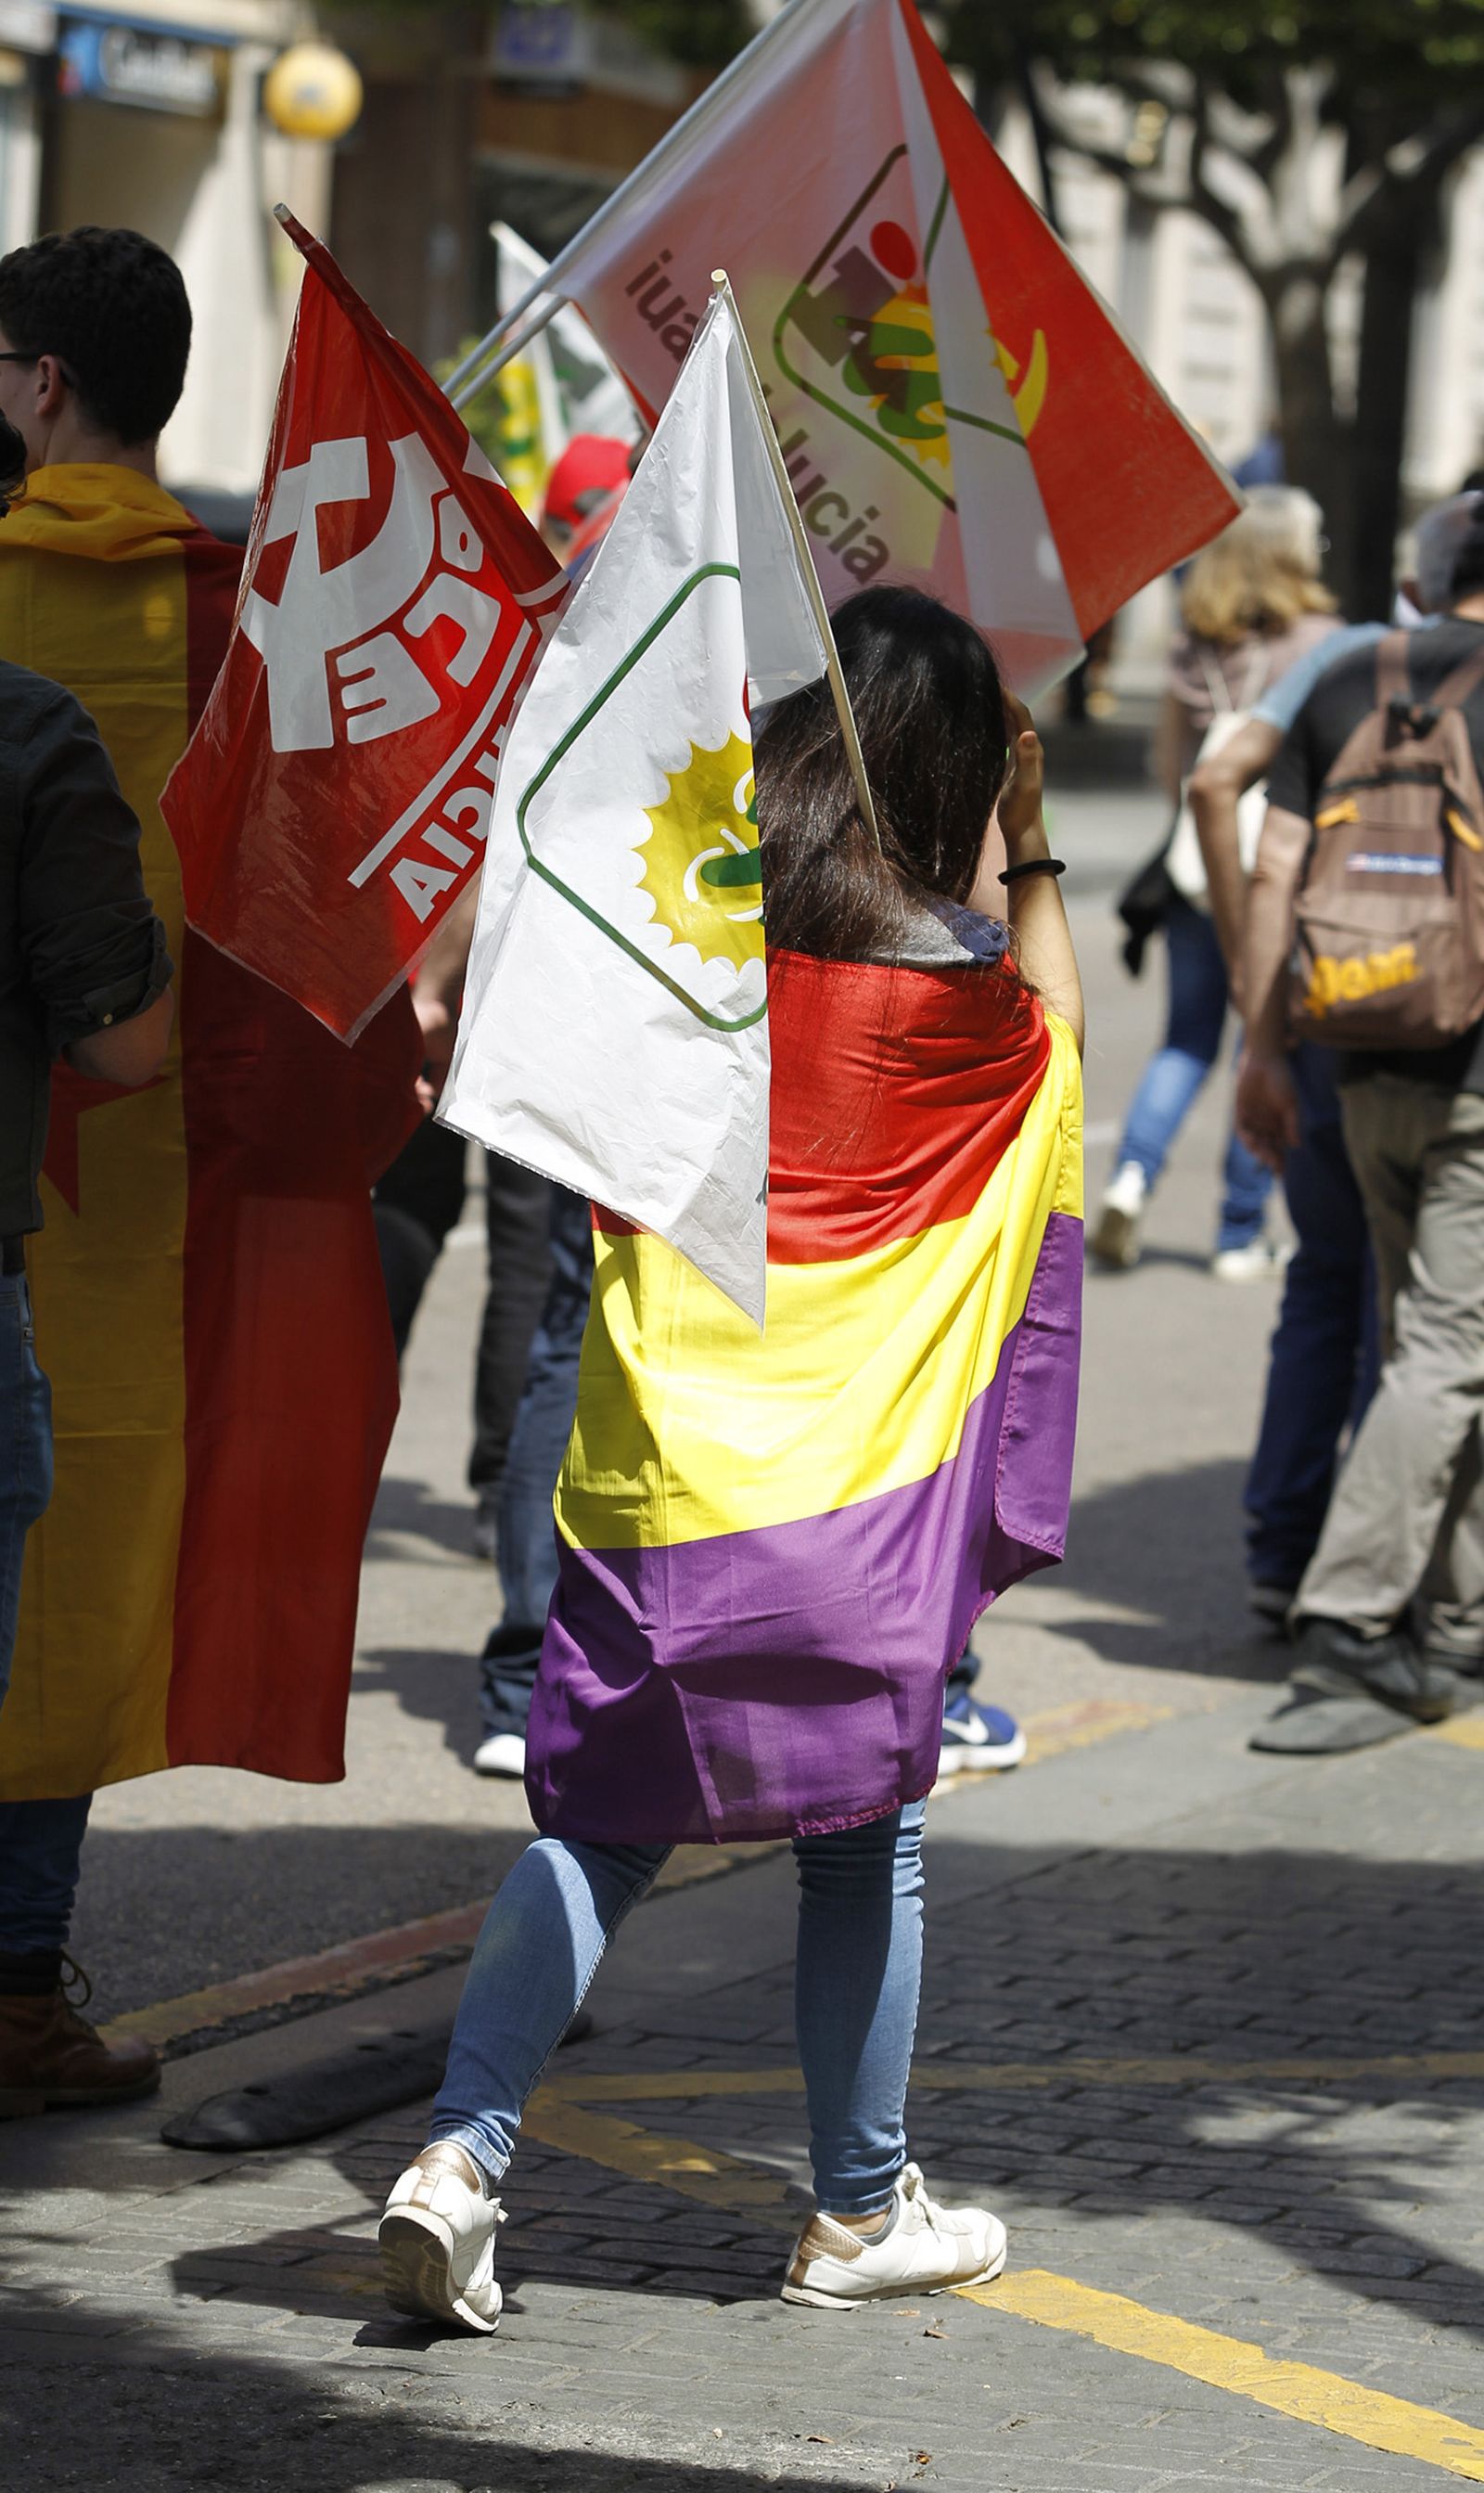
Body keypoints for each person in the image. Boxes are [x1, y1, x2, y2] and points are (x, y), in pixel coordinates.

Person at [377, 585, 1084, 2332]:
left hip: (655, 1493)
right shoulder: (979, 1020)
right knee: (870, 1838)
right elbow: (1066, 1058)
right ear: (961, 791)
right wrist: (1043, 848)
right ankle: (857, 2208)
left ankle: (458, 2158)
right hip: (860, 1509)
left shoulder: (689, 975)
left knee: (595, 1828)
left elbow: (503, 957)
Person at [0, 226, 416, 2109]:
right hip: (137, 1185)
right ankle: (15, 1984)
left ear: (33, 385)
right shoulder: (247, 613)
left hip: (71, 1157)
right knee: (75, 1550)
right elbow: (322, 919)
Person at [1185, 500, 1478, 1617]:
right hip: (1453, 1038)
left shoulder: (1358, 657)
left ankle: (1279, 1548)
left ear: (1421, 582)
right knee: (1419, 1320)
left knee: (1324, 1279)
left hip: (1331, 1013)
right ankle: (1379, 1580)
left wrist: (1258, 1004)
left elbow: (1216, 781)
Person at [1092, 488, 1343, 1277]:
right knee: (1265, 1039)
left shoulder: (1193, 644)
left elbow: (1174, 763)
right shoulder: (1324, 643)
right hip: (1281, 870)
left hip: (1199, 866)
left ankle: (1130, 1179)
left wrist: (1191, 839)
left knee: (1187, 1039)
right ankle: (1239, 1233)